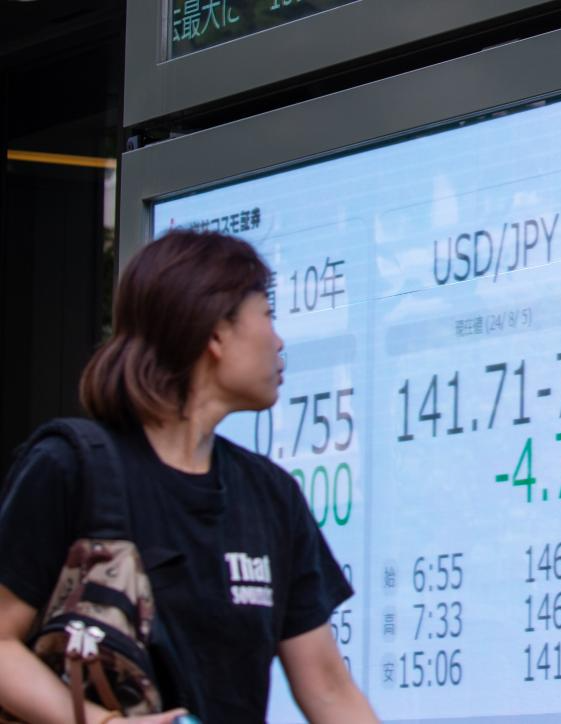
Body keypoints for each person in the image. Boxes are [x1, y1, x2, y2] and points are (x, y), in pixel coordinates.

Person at [0, 230, 378, 723]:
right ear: (216, 333)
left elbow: (329, 690)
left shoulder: (271, 496)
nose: (279, 340)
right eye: (268, 315)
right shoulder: (69, 467)